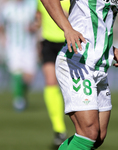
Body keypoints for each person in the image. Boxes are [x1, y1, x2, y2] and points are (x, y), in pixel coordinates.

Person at [40, 0, 118, 149]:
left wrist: (108, 49)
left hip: (99, 66)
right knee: (89, 133)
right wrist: (67, 28)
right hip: (78, 61)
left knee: (98, 136)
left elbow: (98, 22)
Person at [36, 0, 70, 147]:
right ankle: (59, 129)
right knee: (50, 82)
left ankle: (84, 131)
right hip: (48, 42)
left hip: (69, 41)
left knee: (72, 86)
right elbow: (39, 17)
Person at [0, 0, 40, 111]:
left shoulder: (32, 5)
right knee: (16, 71)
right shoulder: (8, 8)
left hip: (29, 46)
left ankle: (22, 94)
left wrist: (34, 27)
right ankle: (18, 100)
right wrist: (3, 40)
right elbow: (2, 26)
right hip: (13, 46)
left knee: (29, 77)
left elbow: (38, 21)